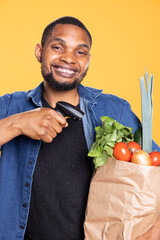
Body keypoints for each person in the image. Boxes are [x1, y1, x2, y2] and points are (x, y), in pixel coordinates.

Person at [0, 16, 159, 240]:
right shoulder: (10, 106)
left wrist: (154, 232)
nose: (68, 58)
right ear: (39, 52)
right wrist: (16, 123)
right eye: (58, 47)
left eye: (80, 52)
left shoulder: (115, 110)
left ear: (88, 61)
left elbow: (155, 168)